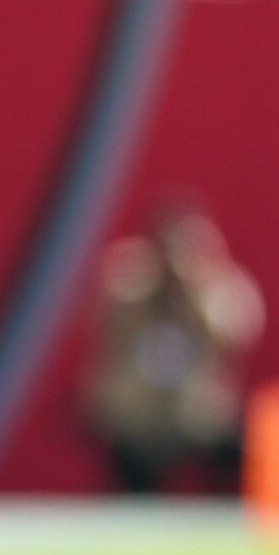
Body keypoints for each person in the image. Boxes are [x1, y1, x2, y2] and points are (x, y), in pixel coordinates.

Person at [82, 197, 265, 494]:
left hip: (197, 417)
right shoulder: (130, 288)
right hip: (138, 420)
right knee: (132, 491)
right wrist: (147, 284)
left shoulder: (219, 289)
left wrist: (195, 292)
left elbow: (234, 336)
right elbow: (103, 325)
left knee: (243, 454)